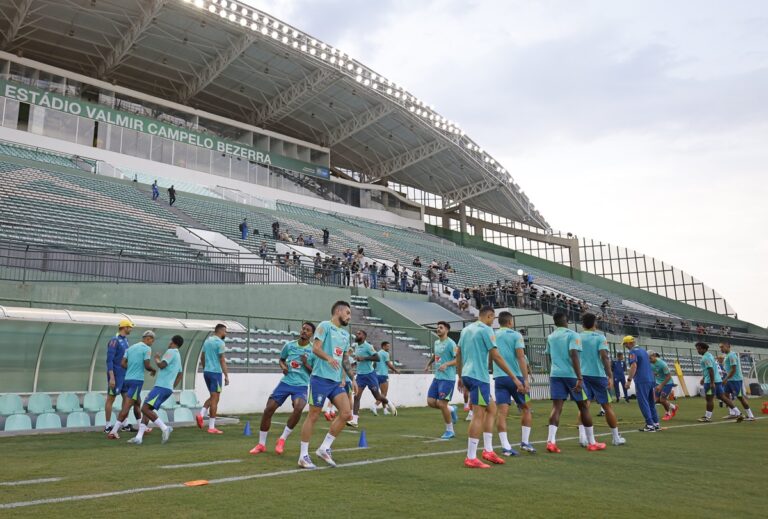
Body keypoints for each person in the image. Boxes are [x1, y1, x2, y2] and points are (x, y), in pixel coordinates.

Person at [457, 306, 526, 468]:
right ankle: (471, 456)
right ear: (488, 316)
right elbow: (496, 356)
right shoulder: (487, 330)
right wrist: (515, 378)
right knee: (478, 415)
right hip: (478, 377)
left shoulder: (466, 330)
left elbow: (458, 353)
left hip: (468, 374)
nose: (493, 322)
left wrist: (460, 376)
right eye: (492, 318)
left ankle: (488, 449)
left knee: (492, 408)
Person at [298, 301, 355, 469]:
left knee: (346, 413)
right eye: (347, 313)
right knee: (313, 416)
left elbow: (345, 359)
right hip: (320, 379)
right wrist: (328, 358)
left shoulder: (345, 335)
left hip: (336, 381)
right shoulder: (325, 326)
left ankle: (324, 448)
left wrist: (352, 378)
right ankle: (303, 456)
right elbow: (316, 348)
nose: (349, 317)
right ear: (338, 311)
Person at [250, 322, 315, 455]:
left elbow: (314, 372)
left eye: (307, 330)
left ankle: (282, 439)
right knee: (268, 410)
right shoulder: (289, 346)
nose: (304, 331)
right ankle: (261, 444)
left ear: (311, 334)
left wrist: (306, 363)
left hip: (301, 385)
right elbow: (281, 360)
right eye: (303, 329)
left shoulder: (313, 350)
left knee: (298, 408)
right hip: (285, 383)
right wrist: (283, 367)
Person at [545, 312, 605, 452]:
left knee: (557, 407)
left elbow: (550, 356)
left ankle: (551, 442)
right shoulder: (573, 335)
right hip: (571, 375)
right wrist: (579, 377)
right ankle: (591, 442)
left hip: (555, 375)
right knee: (583, 407)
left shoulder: (551, 336)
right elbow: (574, 355)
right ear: (566, 320)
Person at [578, 313, 626, 447]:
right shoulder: (600, 337)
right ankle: (616, 438)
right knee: (607, 406)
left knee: (584, 406)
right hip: (598, 375)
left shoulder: (577, 337)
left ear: (582, 325)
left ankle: (583, 437)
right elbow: (605, 357)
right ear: (595, 324)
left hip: (582, 374)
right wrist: (610, 376)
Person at [127, 335, 185, 445]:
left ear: (172, 342)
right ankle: (139, 438)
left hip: (161, 387)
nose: (169, 342)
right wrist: (172, 386)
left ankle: (164, 428)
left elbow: (162, 365)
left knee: (144, 408)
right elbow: (180, 374)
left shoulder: (171, 351)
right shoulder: (178, 355)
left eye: (170, 341)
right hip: (166, 388)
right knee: (147, 410)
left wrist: (157, 358)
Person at [493, 312, 536, 455]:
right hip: (516, 378)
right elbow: (521, 358)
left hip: (499, 378)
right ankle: (525, 442)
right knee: (526, 408)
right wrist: (525, 380)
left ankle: (506, 446)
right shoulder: (516, 335)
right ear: (510, 322)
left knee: (502, 413)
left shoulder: (493, 335)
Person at [107, 330, 157, 439]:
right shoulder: (147, 348)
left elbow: (122, 363)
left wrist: (130, 369)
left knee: (137, 402)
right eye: (152, 341)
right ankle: (113, 431)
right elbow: (147, 365)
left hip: (128, 379)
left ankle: (141, 426)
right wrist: (153, 370)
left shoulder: (130, 348)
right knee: (127, 406)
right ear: (148, 338)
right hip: (137, 381)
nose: (152, 343)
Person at [350, 330, 396, 427]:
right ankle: (354, 420)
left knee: (378, 397)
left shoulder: (368, 346)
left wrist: (364, 358)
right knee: (356, 397)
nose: (357, 335)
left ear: (364, 336)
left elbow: (377, 358)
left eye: (359, 334)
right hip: (360, 376)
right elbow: (359, 359)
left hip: (370, 375)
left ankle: (388, 402)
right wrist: (354, 363)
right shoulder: (356, 346)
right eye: (357, 333)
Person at [425, 321, 459, 439]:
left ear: (447, 330)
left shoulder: (451, 343)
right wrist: (429, 364)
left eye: (441, 328)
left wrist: (447, 364)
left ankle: (450, 431)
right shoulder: (436, 342)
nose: (438, 329)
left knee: (441, 403)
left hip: (448, 378)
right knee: (430, 402)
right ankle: (452, 409)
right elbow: (436, 355)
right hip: (437, 377)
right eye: (437, 327)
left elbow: (458, 360)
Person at [696, 342, 742, 422]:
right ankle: (738, 413)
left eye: (699, 349)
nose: (698, 351)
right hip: (718, 380)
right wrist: (704, 378)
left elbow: (710, 370)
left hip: (710, 381)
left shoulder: (705, 358)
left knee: (709, 399)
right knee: (722, 397)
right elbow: (710, 369)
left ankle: (707, 417)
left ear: (704, 349)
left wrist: (711, 382)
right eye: (697, 349)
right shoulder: (709, 355)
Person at [196, 324, 230, 434]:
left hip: (207, 372)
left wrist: (206, 368)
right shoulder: (220, 343)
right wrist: (226, 375)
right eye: (225, 331)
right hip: (216, 373)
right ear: (221, 331)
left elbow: (202, 357)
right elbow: (222, 360)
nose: (226, 333)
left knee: (213, 396)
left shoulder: (207, 341)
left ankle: (201, 415)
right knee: (215, 399)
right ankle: (211, 427)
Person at [623, 336, 660, 432]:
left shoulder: (633, 352)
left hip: (642, 380)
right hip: (650, 379)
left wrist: (629, 380)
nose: (625, 346)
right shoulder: (643, 351)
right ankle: (656, 423)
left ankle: (649, 425)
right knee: (651, 402)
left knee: (643, 402)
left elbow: (634, 365)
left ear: (630, 343)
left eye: (625, 344)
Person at [104, 319, 135, 434]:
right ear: (124, 327)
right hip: (116, 376)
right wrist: (111, 377)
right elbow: (109, 360)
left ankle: (124, 424)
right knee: (111, 399)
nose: (131, 329)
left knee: (127, 399)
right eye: (130, 327)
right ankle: (107, 426)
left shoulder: (126, 340)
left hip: (125, 375)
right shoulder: (114, 341)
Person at [720, 342, 755, 421]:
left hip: (735, 380)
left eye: (722, 347)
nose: (721, 349)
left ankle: (751, 415)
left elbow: (733, 369)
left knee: (740, 397)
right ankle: (733, 413)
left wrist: (725, 379)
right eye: (720, 347)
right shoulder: (727, 356)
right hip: (729, 379)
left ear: (728, 346)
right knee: (725, 396)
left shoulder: (732, 355)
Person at [649, 351, 678, 421]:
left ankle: (668, 413)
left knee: (662, 400)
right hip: (657, 382)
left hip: (667, 383)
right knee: (656, 400)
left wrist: (661, 385)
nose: (649, 360)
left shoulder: (662, 364)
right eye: (648, 359)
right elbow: (653, 373)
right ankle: (673, 407)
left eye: (650, 358)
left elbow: (668, 376)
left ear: (654, 355)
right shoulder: (649, 363)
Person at [373, 341, 399, 415]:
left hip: (376, 375)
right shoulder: (386, 353)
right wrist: (396, 370)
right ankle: (374, 406)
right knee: (384, 394)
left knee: (381, 394)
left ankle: (385, 410)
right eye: (387, 346)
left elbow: (374, 364)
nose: (388, 347)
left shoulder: (378, 353)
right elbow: (389, 364)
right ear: (383, 346)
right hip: (383, 375)